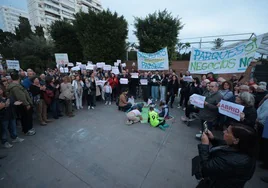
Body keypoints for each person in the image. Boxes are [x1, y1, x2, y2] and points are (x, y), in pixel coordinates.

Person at [195, 123, 257, 188]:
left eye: (227, 131)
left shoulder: (232, 161)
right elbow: (225, 146)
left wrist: (204, 145)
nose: (223, 131)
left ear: (236, 140)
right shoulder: (243, 149)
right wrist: (213, 139)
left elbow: (205, 168)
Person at [7, 71, 35, 136]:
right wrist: (27, 104)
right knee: (26, 118)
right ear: (19, 78)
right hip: (23, 104)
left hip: (22, 104)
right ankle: (27, 130)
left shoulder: (15, 85)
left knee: (25, 117)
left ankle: (27, 129)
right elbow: (21, 96)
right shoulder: (16, 87)